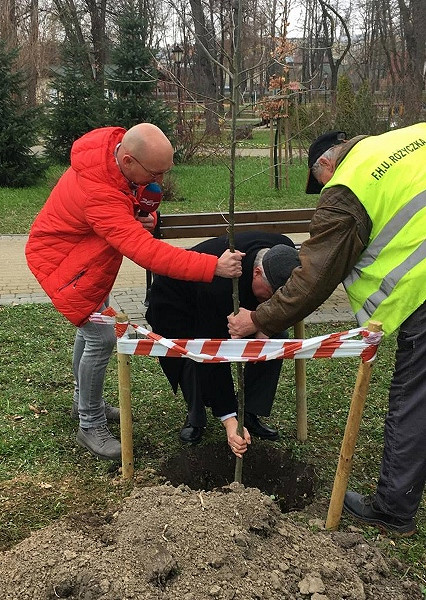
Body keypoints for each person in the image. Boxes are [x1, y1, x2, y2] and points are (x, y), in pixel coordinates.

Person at [228, 123, 426, 535]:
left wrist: (257, 318)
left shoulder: (349, 184)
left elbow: (314, 278)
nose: (324, 194)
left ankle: (393, 508)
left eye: (320, 184)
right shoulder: (409, 138)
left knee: (415, 398)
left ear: (325, 162)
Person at [25, 123, 243, 461]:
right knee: (100, 337)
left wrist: (145, 217)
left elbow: (137, 204)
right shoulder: (100, 193)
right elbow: (147, 252)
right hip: (64, 263)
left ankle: (84, 403)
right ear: (128, 162)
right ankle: (89, 423)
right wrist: (211, 266)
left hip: (86, 257)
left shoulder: (112, 158)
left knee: (91, 329)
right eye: (155, 172)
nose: (160, 179)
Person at [146, 232, 300, 458]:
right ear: (257, 273)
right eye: (270, 294)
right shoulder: (219, 286)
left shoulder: (283, 252)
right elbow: (212, 356)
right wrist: (229, 421)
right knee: (193, 356)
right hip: (177, 301)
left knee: (274, 339)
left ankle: (248, 412)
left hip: (225, 299)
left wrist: (261, 323)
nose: (272, 301)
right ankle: (197, 417)